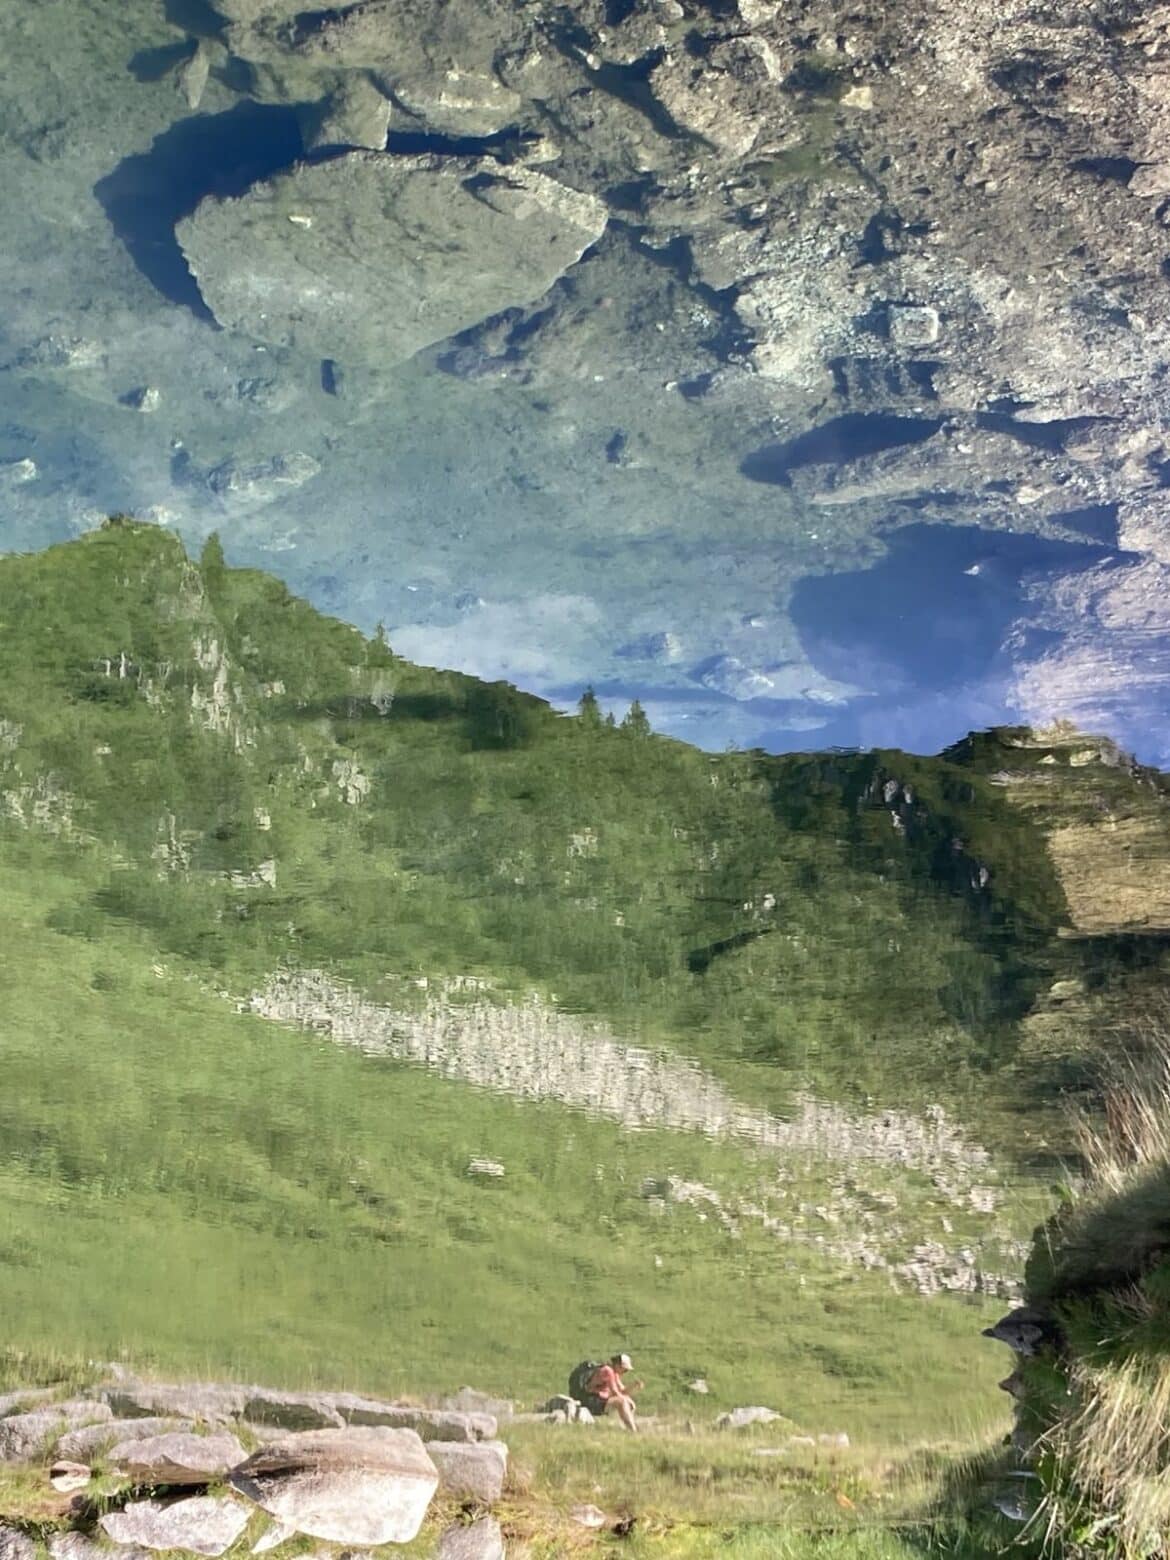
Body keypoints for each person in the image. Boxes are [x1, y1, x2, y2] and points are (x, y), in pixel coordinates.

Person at [583, 1353, 642, 1432]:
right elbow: (615, 1392)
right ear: (618, 1365)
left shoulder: (614, 1373)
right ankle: (632, 1430)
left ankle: (630, 1426)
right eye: (625, 1370)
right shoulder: (607, 1371)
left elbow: (622, 1391)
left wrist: (633, 1386)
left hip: (600, 1399)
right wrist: (625, 1400)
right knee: (622, 1401)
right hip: (592, 1399)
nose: (625, 1372)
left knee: (625, 1400)